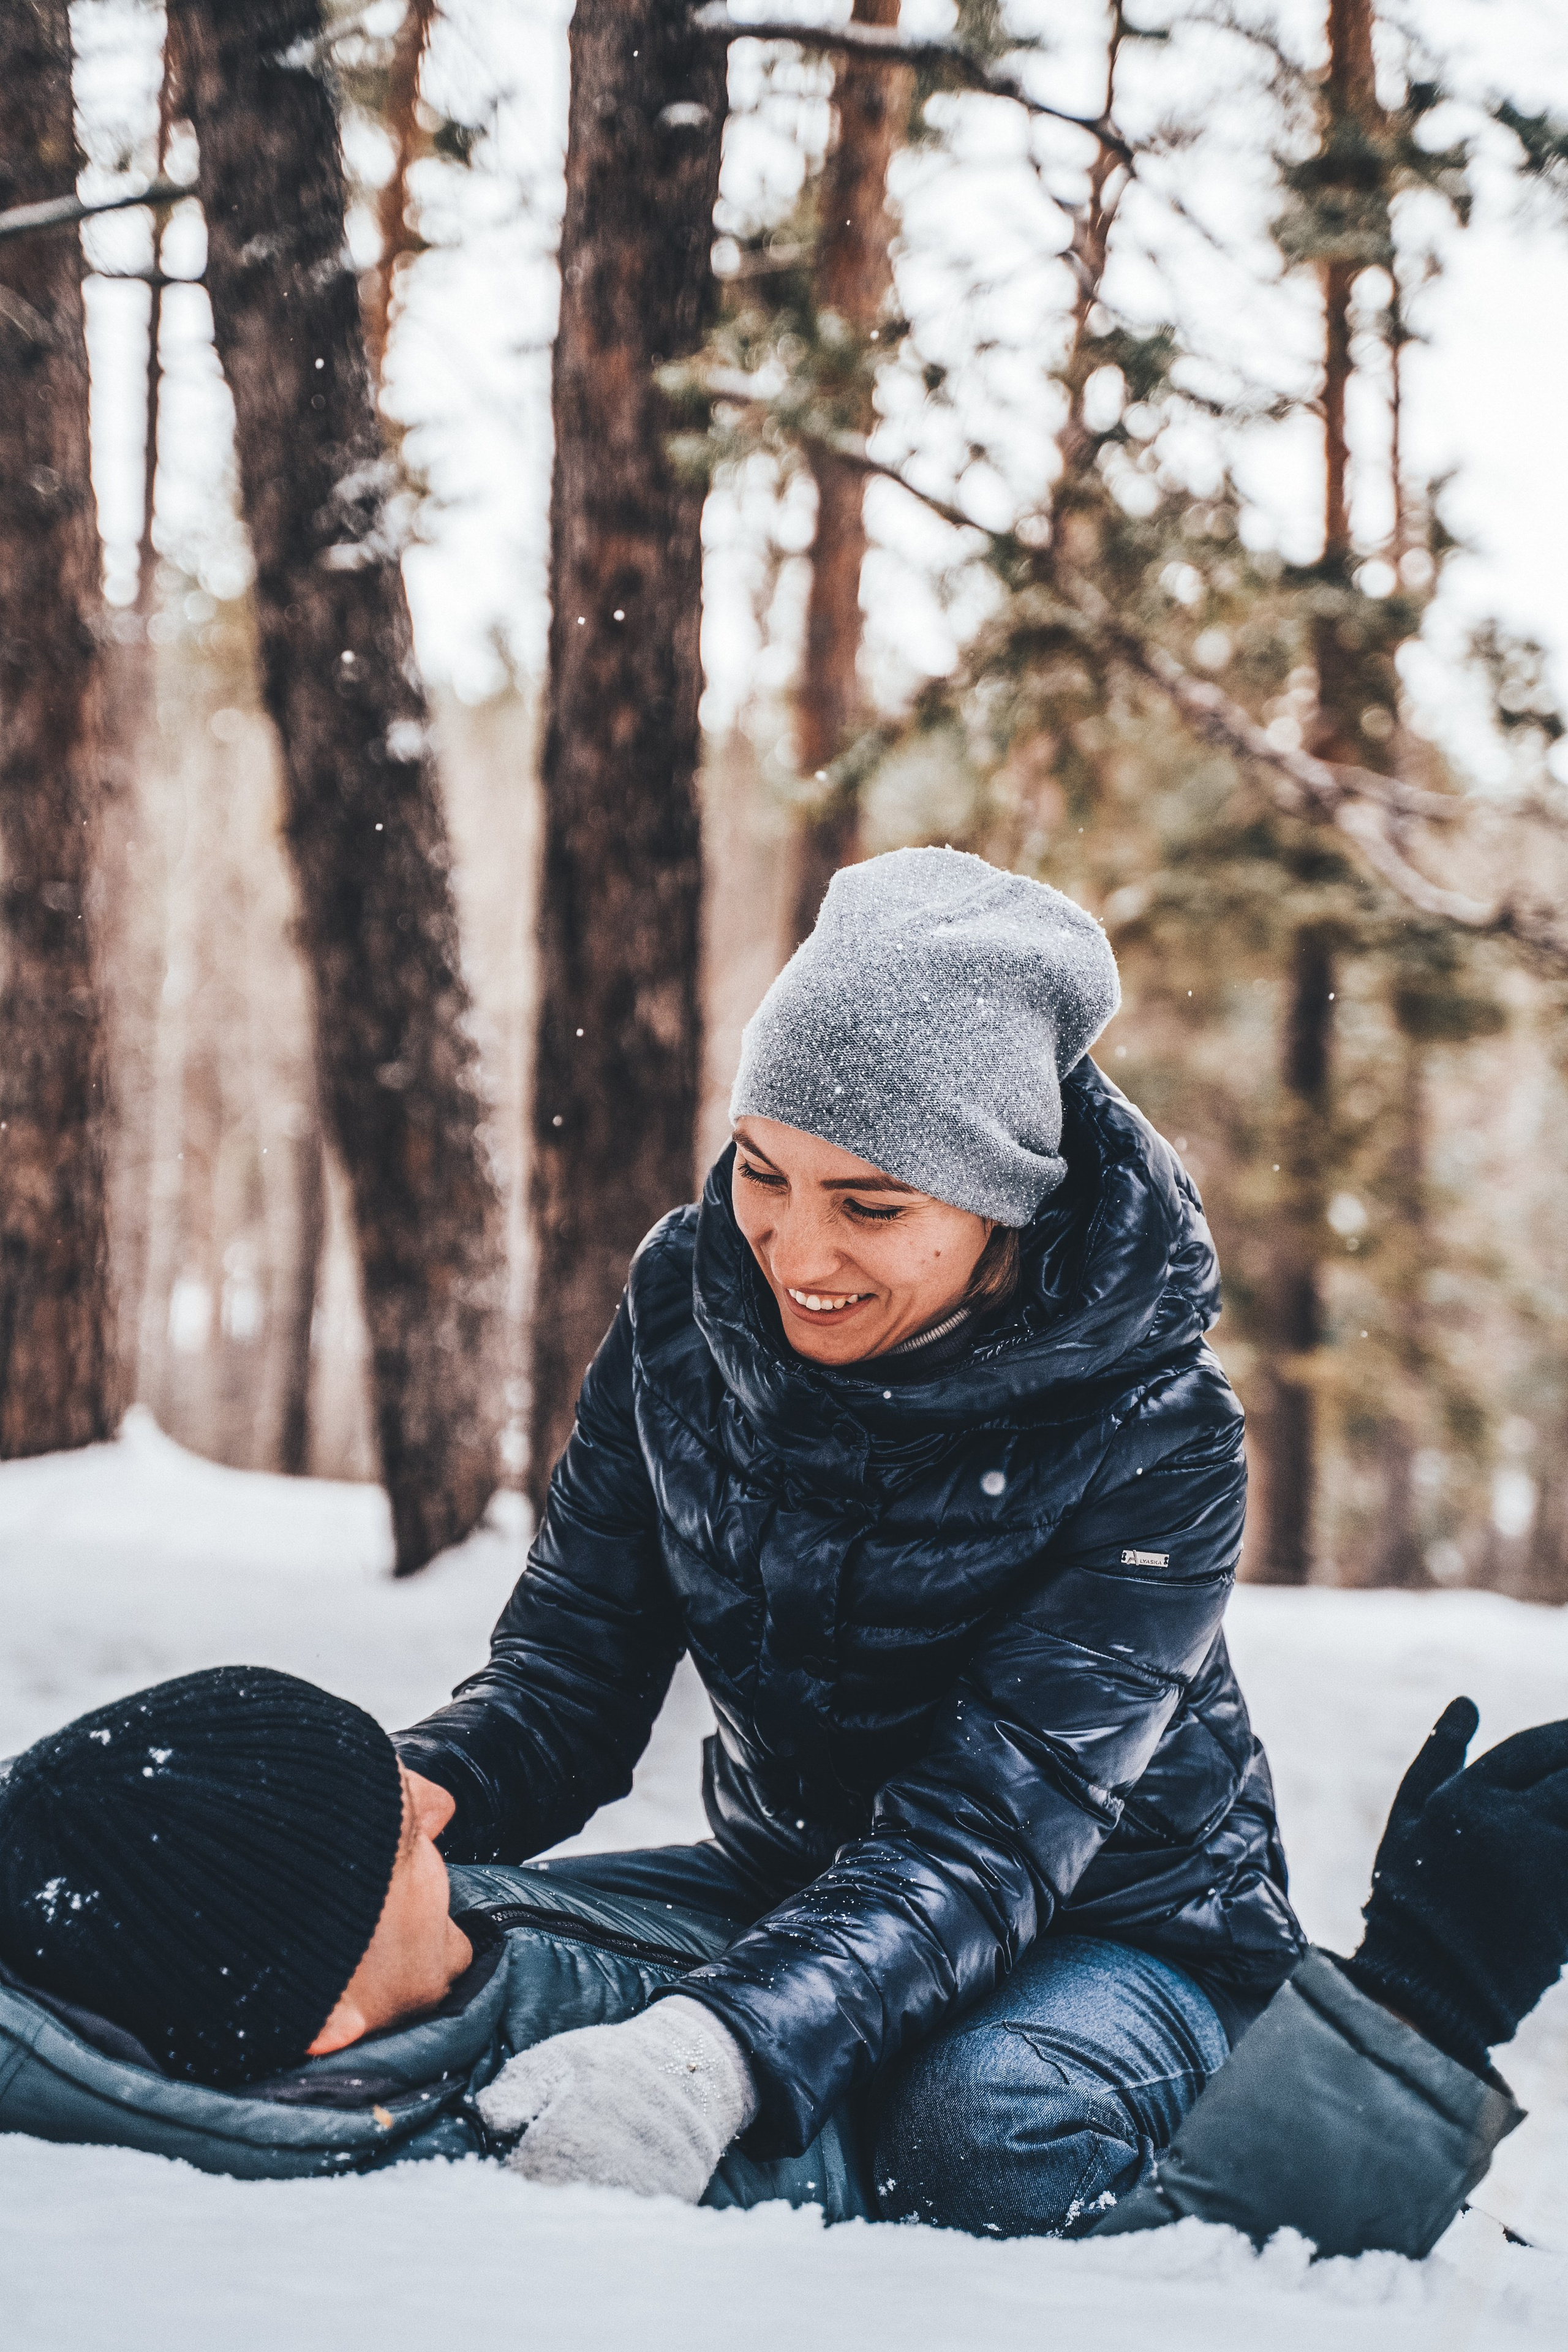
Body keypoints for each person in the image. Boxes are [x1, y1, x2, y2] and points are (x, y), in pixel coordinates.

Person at [394, 844, 1306, 2230]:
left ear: (1001, 1202)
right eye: (764, 1174)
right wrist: (395, 1804)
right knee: (437, 1953)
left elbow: (986, 1839)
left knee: (977, 2133)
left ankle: (1268, 2168)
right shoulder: (681, 1311)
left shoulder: (1157, 1429)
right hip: (799, 1889)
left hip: (1119, 1934)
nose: (793, 1255)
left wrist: (713, 2053)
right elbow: (562, 1692)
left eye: (870, 1207)